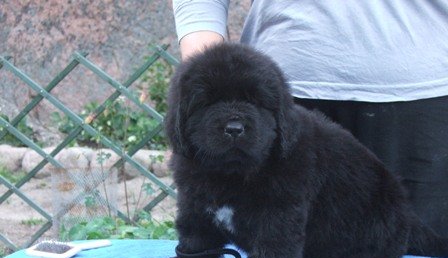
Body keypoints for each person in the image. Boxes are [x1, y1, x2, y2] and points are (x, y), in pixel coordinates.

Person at [171, 0, 448, 236]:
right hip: (275, 98)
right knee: (275, 255)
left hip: (423, 92)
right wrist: (203, 70)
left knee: (423, 256)